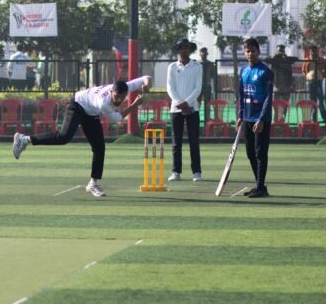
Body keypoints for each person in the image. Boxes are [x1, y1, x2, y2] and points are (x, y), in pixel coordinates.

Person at [11, 75, 151, 197]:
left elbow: (146, 78)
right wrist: (135, 104)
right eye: (116, 96)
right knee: (64, 137)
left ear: (126, 92)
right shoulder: (103, 103)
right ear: (111, 92)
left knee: (99, 148)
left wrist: (146, 86)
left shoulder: (126, 86)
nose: (119, 100)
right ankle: (24, 139)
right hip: (78, 105)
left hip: (91, 112)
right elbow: (116, 118)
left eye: (122, 97)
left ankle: (93, 184)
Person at [236, 38, 274, 198]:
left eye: (253, 50)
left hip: (260, 119)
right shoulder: (243, 71)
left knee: (260, 153)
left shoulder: (265, 72)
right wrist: (240, 115)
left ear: (258, 51)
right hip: (247, 118)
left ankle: (260, 187)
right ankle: (260, 186)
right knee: (250, 153)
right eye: (247, 51)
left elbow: (268, 98)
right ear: (244, 53)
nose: (250, 53)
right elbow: (241, 95)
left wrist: (261, 119)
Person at [166, 38, 203, 182]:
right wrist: (179, 103)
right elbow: (170, 88)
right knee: (176, 142)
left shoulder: (197, 66)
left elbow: (197, 88)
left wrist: (187, 103)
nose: (184, 50)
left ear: (189, 49)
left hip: (192, 108)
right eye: (181, 47)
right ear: (178, 50)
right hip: (176, 109)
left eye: (186, 47)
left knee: (194, 141)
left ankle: (197, 172)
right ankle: (176, 172)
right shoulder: (172, 67)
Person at [301, 45, 326, 126]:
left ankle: (324, 118)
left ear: (317, 51)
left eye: (314, 51)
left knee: (320, 101)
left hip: (319, 81)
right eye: (312, 51)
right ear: (310, 52)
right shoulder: (307, 60)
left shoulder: (321, 60)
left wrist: (323, 76)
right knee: (312, 101)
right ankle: (314, 119)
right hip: (310, 81)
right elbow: (303, 70)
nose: (313, 52)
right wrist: (307, 76)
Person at [197, 47, 220, 123]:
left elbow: (214, 76)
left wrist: (215, 87)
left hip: (207, 86)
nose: (203, 54)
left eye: (204, 53)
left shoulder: (210, 64)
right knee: (197, 103)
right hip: (198, 87)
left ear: (207, 54)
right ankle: (196, 118)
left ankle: (207, 119)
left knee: (208, 103)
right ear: (199, 54)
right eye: (202, 52)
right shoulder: (196, 64)